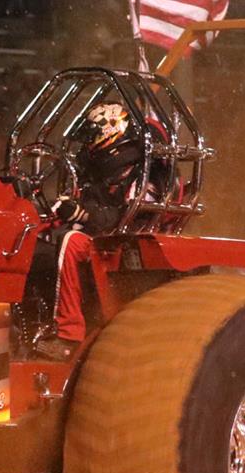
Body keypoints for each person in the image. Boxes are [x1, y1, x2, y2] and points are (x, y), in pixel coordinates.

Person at [34, 101, 161, 360]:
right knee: (36, 234)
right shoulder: (102, 173)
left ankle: (68, 336)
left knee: (71, 242)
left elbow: (126, 217)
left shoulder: (140, 173)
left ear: (111, 133)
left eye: (93, 136)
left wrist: (83, 214)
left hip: (123, 245)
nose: (88, 145)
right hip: (101, 236)